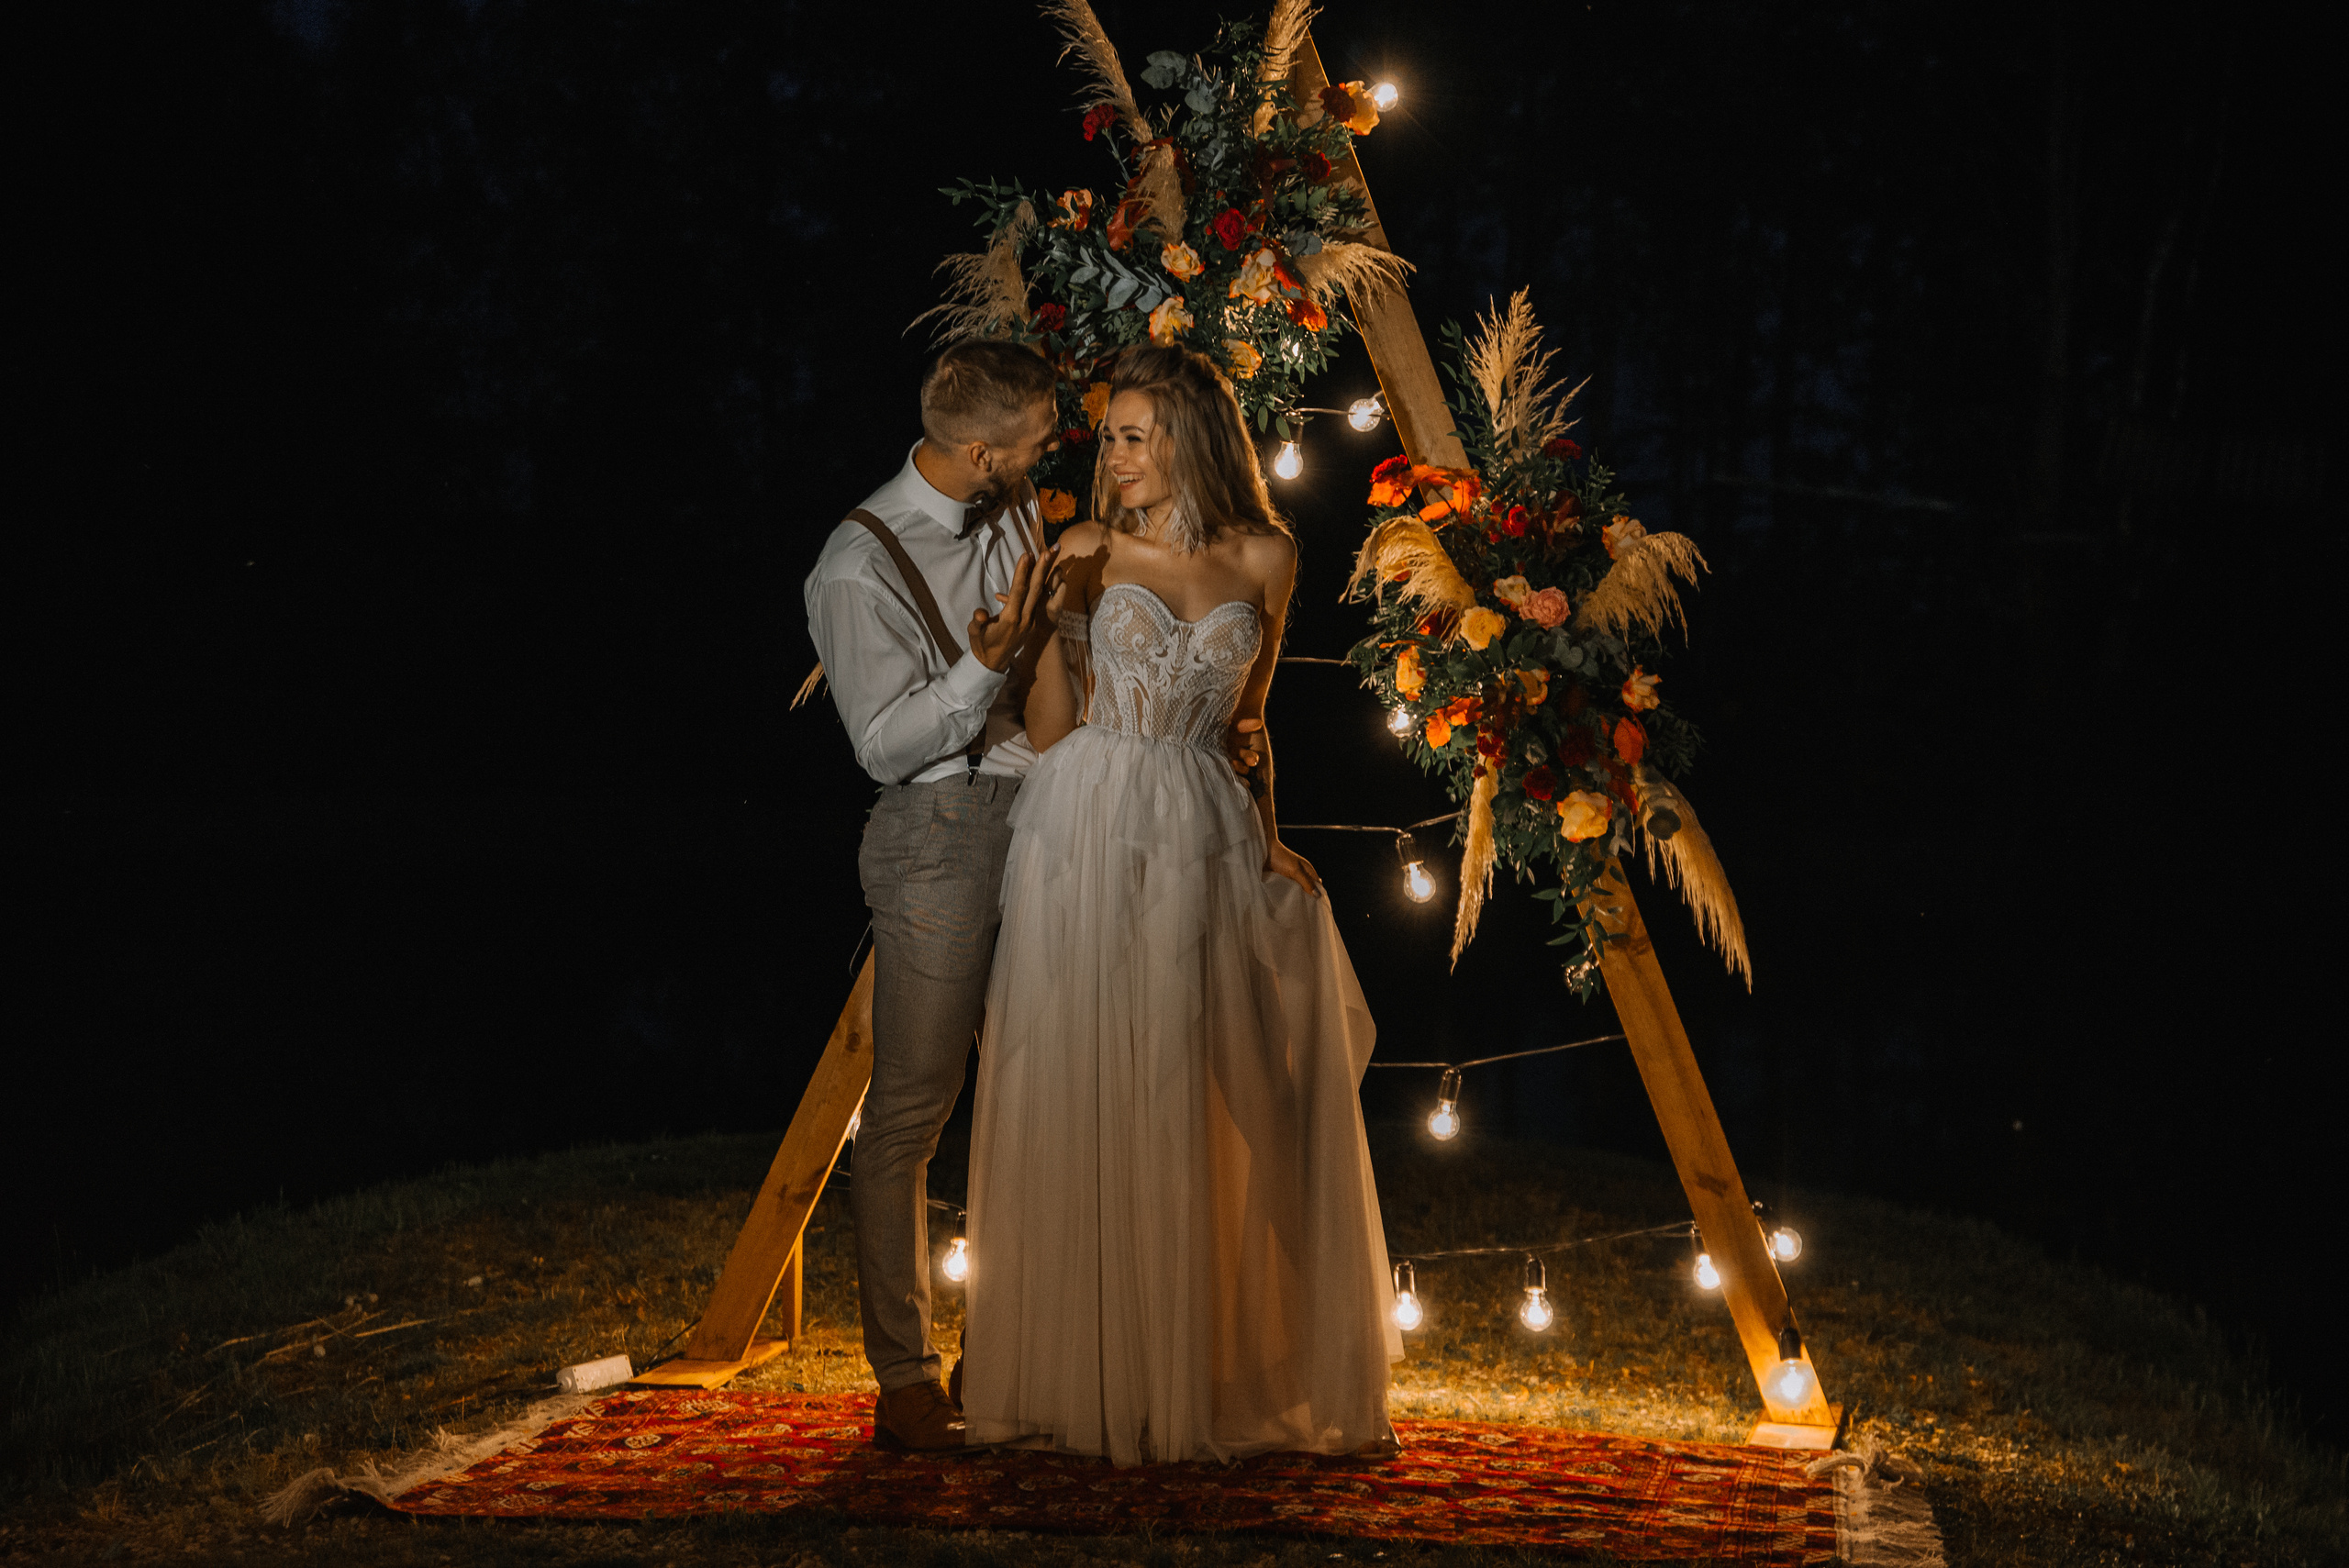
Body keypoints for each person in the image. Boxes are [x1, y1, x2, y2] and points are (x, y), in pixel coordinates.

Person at [960, 344, 1402, 1465]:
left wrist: (1270, 837)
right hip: (1088, 820)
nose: (1111, 454)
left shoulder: (1268, 554)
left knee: (1242, 1083)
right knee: (1095, 1075)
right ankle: (1097, 1372)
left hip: (1205, 825)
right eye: (1109, 434)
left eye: (1132, 434)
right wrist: (1034, 639)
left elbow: (1250, 721)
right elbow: (1053, 723)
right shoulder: (1086, 548)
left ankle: (1266, 1362)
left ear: (1191, 439)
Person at [802, 338, 1059, 1451]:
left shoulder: (1017, 506)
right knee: (911, 1110)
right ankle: (904, 1375)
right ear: (980, 450)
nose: (1050, 453)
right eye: (1037, 439)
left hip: (1047, 812)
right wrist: (980, 666)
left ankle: (1006, 1349)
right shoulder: (854, 565)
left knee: (1040, 1094)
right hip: (936, 832)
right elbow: (880, 742)